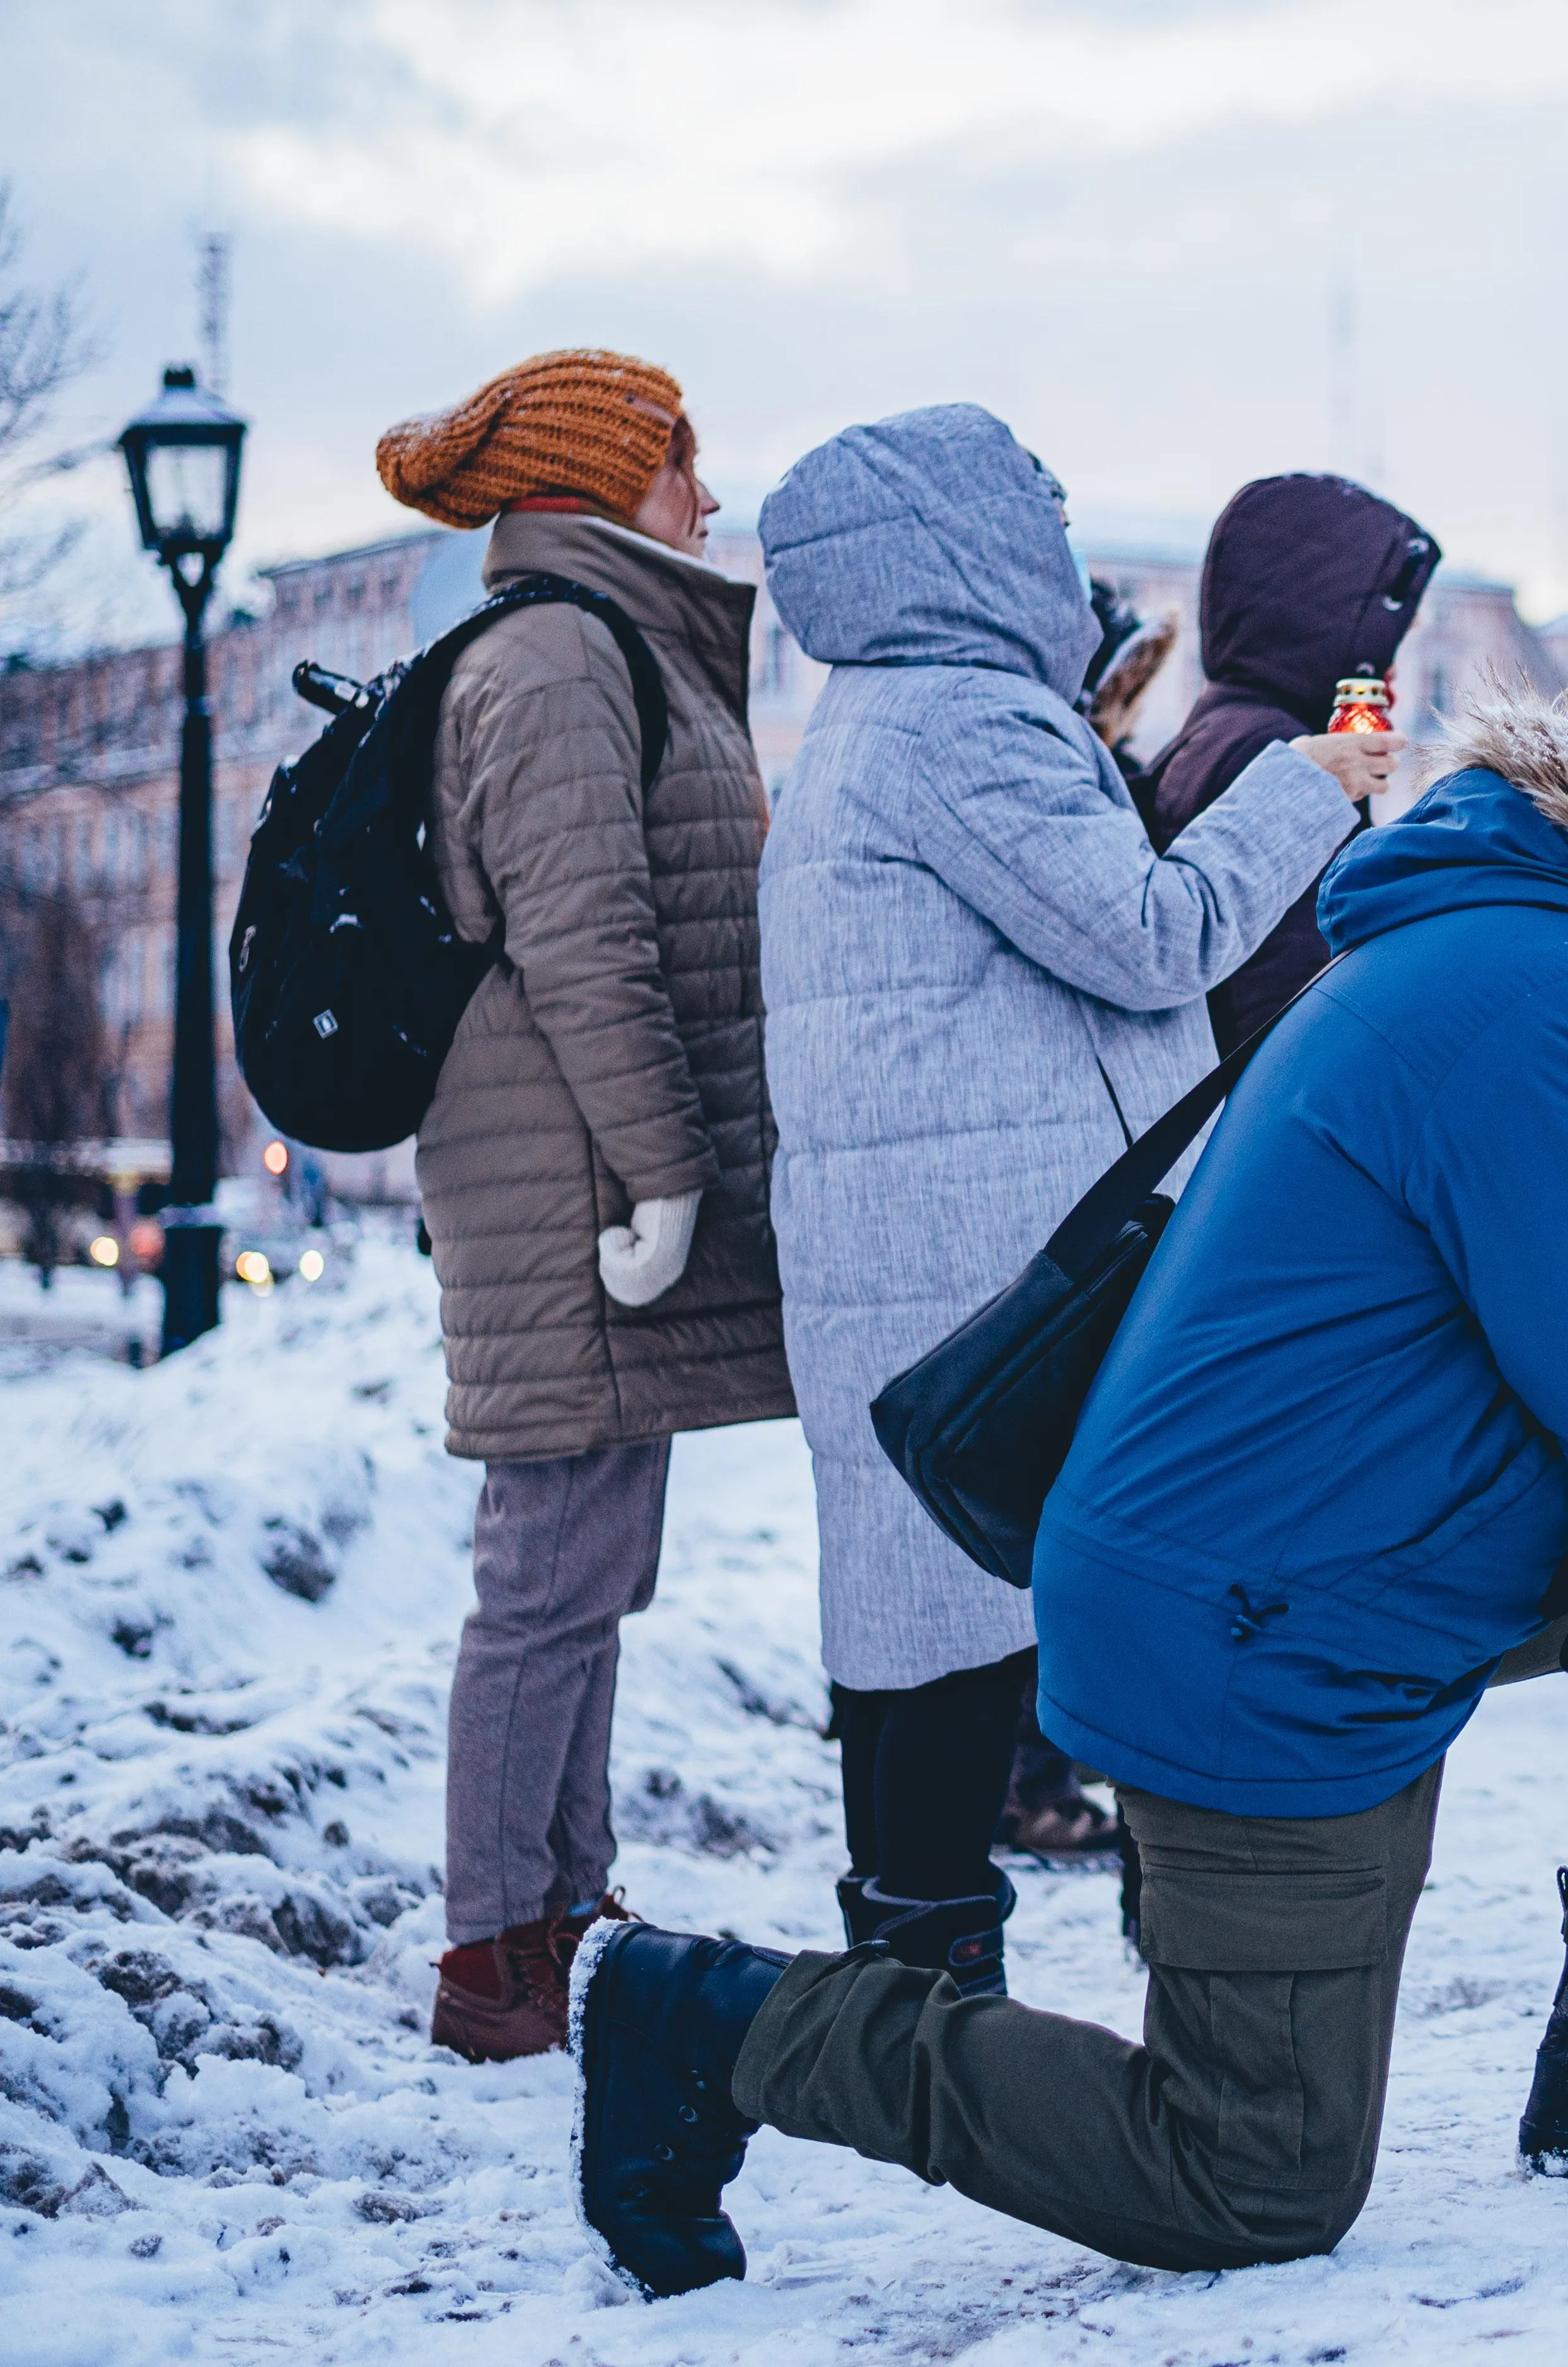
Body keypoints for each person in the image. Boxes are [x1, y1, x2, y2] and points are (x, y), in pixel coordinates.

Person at [569, 706, 1568, 2296]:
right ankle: (714, 2021)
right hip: (1254, 1623)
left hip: (1354, 1556)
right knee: (1248, 2170)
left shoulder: (1564, 966)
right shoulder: (1558, 996)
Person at [754, 407, 1399, 2000]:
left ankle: (918, 1960)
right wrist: (1308, 788)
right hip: (976, 1244)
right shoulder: (960, 721)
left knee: (924, 1624)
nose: (1063, 558)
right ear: (968, 542)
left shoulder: (885, 717)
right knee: (975, 1617)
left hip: (918, 1231)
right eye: (1039, 525)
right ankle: (924, 1994)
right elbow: (1151, 935)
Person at [376, 350, 799, 2061]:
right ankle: (494, 1952)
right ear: (597, 481)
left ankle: (564, 1903)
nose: (701, 494)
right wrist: (671, 1171)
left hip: (589, 1175)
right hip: (571, 1184)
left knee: (589, 1571)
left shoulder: (609, 638)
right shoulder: (555, 654)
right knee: (546, 1575)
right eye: (677, 461)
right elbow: (586, 945)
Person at [1134, 474, 1441, 1047]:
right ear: (1333, 631)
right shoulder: (1290, 760)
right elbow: (1294, 1001)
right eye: (1385, 645)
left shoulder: (1217, 733)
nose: (1391, 672)